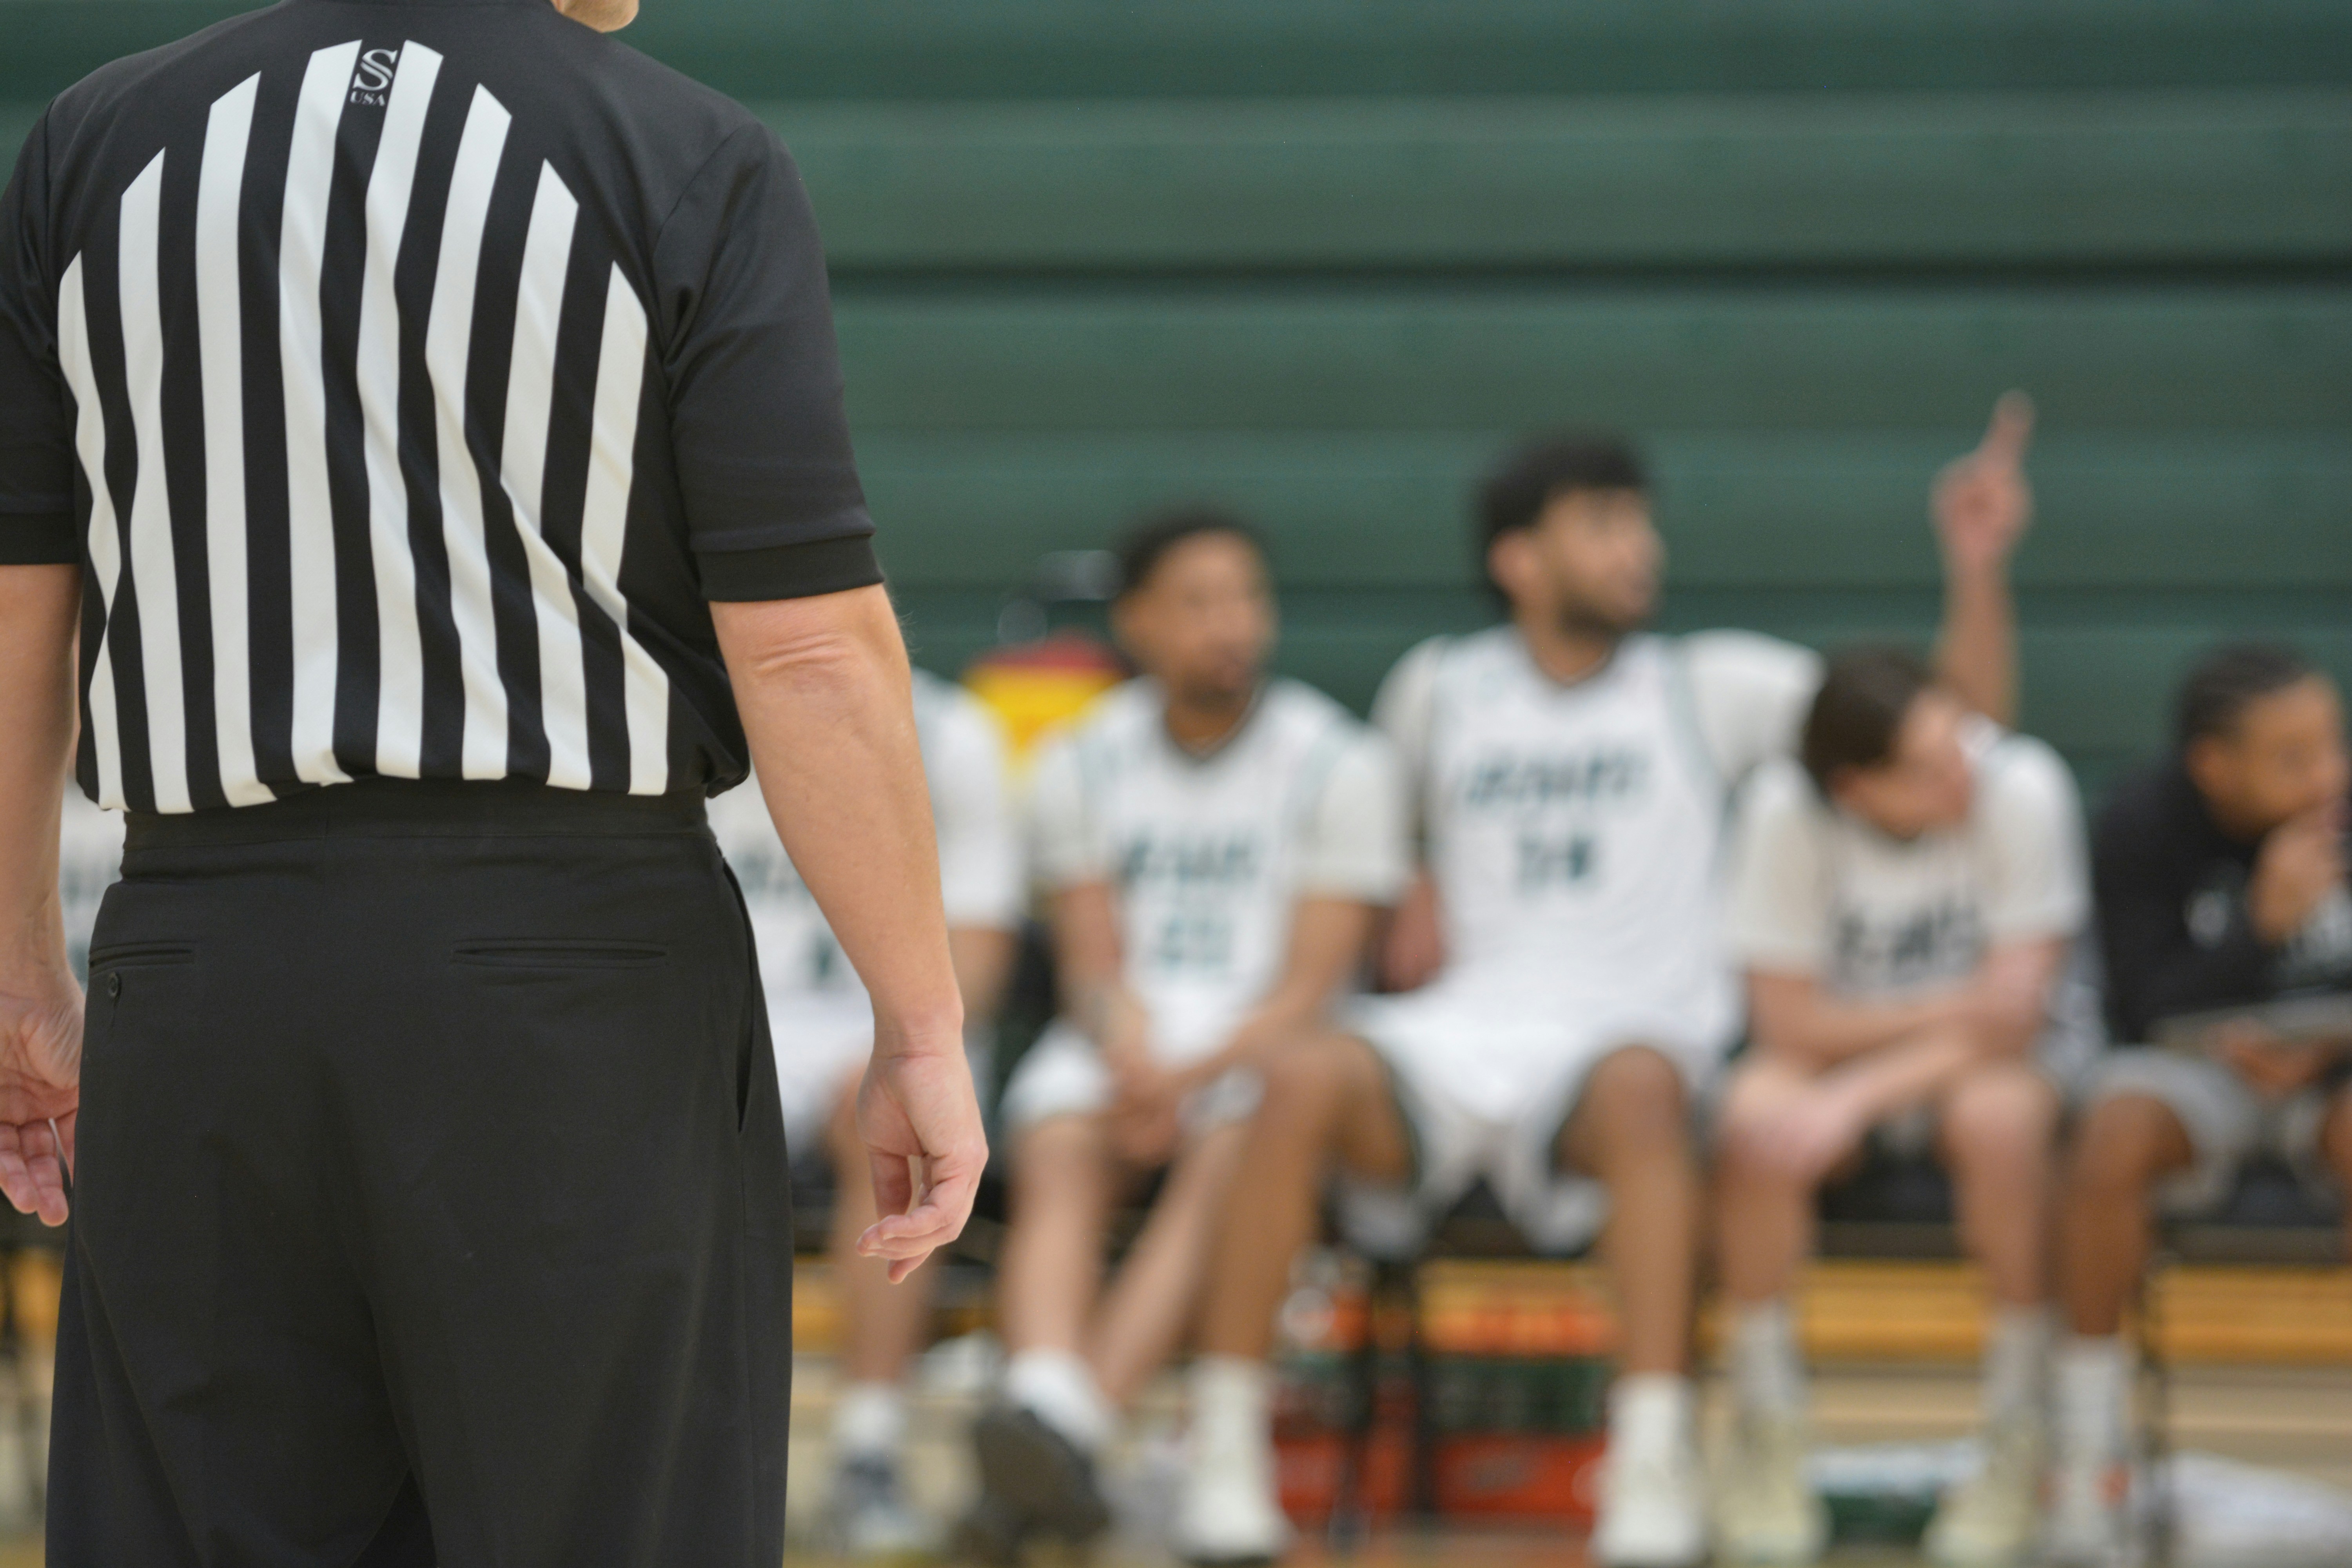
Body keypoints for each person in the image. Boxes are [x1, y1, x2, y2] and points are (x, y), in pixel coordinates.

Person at [0, 0, 987, 1555]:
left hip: (197, 968)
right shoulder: (683, 151)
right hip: (571, 972)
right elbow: (809, 656)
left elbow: (16, 615)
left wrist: (17, 965)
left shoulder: (91, 149)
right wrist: (921, 1021)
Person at [1175, 399, 2035, 1568]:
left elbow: (1951, 734)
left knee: (1642, 1091)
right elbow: (1396, 851)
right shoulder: (1437, 688)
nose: (1642, 548)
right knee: (1291, 1080)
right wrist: (1419, 880)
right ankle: (1223, 1449)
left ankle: (1653, 1460)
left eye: (1641, 523)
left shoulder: (1710, 684)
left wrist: (1975, 570)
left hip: (1626, 1039)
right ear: (1518, 560)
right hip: (1462, 1036)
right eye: (1604, 524)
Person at [966, 510, 1407, 1563]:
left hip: (1265, 1050)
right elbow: (1091, 963)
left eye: (1248, 598)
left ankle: (1064, 1433)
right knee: (1060, 1150)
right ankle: (1055, 1412)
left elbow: (1313, 987)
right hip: (1132, 1038)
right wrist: (1132, 1054)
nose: (1233, 625)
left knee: (1231, 1148)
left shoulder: (1338, 760)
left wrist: (1189, 1071)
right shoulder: (1083, 758)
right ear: (1140, 622)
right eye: (1201, 601)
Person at [1712, 647, 2088, 1567]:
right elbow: (1782, 1017)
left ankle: (2016, 1430)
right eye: (1923, 769)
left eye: (1957, 740)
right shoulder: (1780, 811)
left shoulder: (2025, 786)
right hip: (1857, 1050)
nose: (1959, 770)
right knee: (1753, 1121)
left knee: (1998, 1123)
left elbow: (2016, 1023)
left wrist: (1857, 1091)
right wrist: (1950, 1006)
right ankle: (1767, 1427)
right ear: (1853, 788)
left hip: (1990, 1064)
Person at [2047, 642, 2352, 1563]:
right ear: (2214, 765)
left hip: (2334, 1067)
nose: (2329, 773)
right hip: (2198, 1066)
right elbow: (2142, 1005)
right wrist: (2260, 928)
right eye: (2294, 757)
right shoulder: (2144, 823)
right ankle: (2087, 1447)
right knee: (2112, 1133)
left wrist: (2328, 1047)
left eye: (2333, 743)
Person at [708, 667, 1022, 1557]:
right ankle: (681, 1448)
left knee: (899, 1125)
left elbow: (986, 945)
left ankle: (868, 1446)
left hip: (871, 1016)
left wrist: (918, 1040)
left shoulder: (953, 731)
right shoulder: (683, 696)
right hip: (721, 1008)